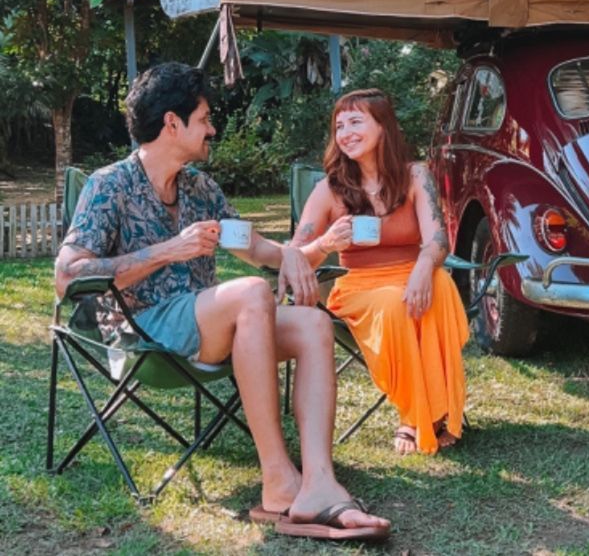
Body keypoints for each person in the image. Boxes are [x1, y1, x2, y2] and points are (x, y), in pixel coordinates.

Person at [54, 63, 390, 542]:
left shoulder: (200, 188)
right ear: (173, 123)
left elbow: (254, 249)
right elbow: (66, 277)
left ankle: (317, 480)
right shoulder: (109, 186)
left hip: (204, 324)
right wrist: (169, 250)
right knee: (252, 292)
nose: (213, 128)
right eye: (205, 117)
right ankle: (278, 480)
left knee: (313, 324)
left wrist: (295, 254)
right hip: (142, 331)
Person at [291, 88, 469, 455]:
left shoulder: (415, 175)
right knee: (393, 303)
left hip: (412, 272)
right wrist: (326, 244)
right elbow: (296, 258)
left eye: (356, 122)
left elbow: (437, 238)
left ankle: (439, 410)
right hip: (360, 286)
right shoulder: (330, 190)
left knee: (442, 286)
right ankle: (414, 415)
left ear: (383, 127)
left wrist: (422, 266)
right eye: (339, 126)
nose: (346, 133)